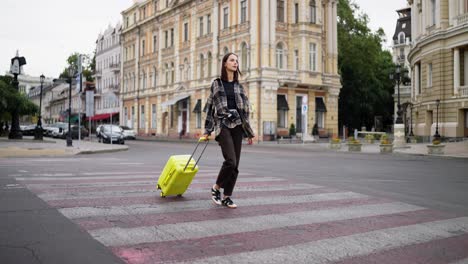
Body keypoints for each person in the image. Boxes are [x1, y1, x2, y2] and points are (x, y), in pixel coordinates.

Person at [202, 53, 255, 209]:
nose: (235, 63)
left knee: (235, 165)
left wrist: (249, 132)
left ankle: (227, 197)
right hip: (223, 124)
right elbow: (211, 108)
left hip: (238, 126)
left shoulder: (240, 87)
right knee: (230, 160)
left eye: (237, 61)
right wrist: (207, 130)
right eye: (232, 60)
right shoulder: (217, 84)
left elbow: (245, 112)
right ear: (225, 63)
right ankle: (216, 187)